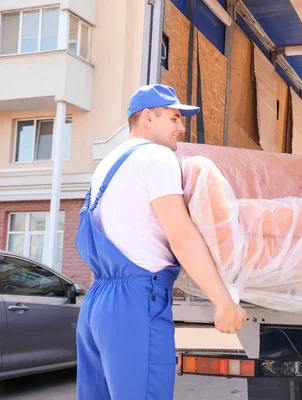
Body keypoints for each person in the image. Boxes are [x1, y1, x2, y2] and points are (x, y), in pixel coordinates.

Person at [75, 84, 247, 400]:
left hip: (97, 305)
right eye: (174, 118)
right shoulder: (156, 157)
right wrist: (222, 300)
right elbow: (181, 234)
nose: (181, 127)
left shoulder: (107, 164)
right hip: (136, 304)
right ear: (147, 118)